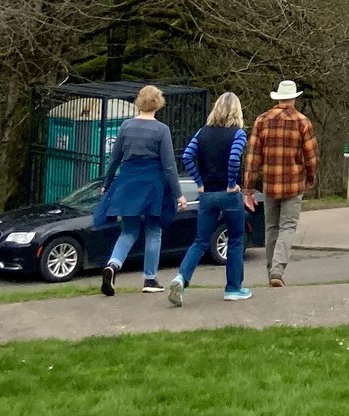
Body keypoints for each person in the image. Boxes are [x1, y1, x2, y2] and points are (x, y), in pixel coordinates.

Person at [92, 85, 183, 296]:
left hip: (128, 181)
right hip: (152, 184)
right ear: (158, 103)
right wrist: (178, 194)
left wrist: (107, 183)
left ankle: (113, 265)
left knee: (128, 231)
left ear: (138, 102)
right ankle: (150, 279)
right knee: (154, 231)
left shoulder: (126, 127)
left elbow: (114, 159)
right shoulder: (161, 130)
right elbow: (169, 166)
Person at [168, 92, 250, 304]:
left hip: (207, 194)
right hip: (229, 195)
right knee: (235, 240)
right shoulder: (238, 133)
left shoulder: (202, 132)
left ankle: (181, 277)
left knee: (200, 241)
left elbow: (187, 155)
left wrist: (199, 182)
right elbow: (234, 159)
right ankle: (233, 287)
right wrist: (232, 183)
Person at [242, 78, 318, 287]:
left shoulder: (261, 120)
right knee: (288, 227)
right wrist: (310, 177)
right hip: (294, 183)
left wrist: (248, 187)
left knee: (271, 227)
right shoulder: (303, 122)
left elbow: (253, 156)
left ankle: (271, 272)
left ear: (278, 97)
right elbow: (311, 156)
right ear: (293, 98)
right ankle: (277, 270)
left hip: (270, 183)